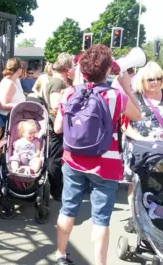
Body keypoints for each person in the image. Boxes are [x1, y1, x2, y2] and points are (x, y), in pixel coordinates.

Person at [52, 44, 141, 265]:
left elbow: (57, 129)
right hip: (106, 165)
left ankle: (61, 255)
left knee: (68, 208)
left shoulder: (69, 93)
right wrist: (127, 87)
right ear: (108, 70)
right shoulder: (116, 96)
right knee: (101, 220)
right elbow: (137, 115)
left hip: (73, 160)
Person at [121, 61, 163, 233]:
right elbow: (124, 124)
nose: (155, 82)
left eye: (158, 78)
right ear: (142, 80)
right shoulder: (135, 98)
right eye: (150, 79)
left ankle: (156, 215)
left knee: (158, 184)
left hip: (161, 149)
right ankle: (135, 218)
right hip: (139, 148)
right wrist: (141, 138)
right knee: (136, 184)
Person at [42, 53, 75, 201]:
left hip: (58, 126)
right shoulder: (57, 83)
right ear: (67, 68)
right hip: (56, 126)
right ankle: (56, 191)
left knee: (55, 158)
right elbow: (55, 105)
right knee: (54, 159)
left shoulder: (57, 81)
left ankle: (56, 189)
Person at [0, 58, 26, 122]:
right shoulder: (8, 83)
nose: (23, 69)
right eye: (22, 67)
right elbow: (3, 105)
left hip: (14, 116)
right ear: (18, 69)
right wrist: (23, 106)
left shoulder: (16, 81)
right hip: (7, 118)